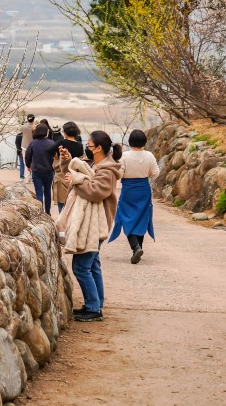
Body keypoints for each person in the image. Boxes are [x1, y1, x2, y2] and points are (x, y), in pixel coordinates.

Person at [56, 130, 122, 322]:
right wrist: (67, 161)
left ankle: (94, 308)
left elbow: (94, 192)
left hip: (95, 224)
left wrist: (76, 182)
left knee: (81, 266)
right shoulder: (96, 165)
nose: (87, 147)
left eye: (90, 145)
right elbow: (79, 173)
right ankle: (96, 303)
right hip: (92, 223)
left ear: (99, 148)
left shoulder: (107, 171)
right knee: (92, 265)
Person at [110, 129, 161, 264]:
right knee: (141, 218)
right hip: (144, 188)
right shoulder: (149, 155)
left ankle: (135, 247)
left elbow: (119, 175)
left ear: (130, 141)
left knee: (126, 217)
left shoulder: (125, 156)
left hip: (129, 190)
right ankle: (138, 248)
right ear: (144, 141)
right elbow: (156, 173)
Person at [50, 121, 84, 213]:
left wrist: (56, 158)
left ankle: (62, 224)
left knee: (62, 205)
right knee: (72, 204)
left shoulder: (61, 142)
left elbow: (49, 150)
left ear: (64, 132)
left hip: (62, 174)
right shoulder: (80, 145)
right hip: (74, 175)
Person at [24, 123, 55, 213]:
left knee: (39, 193)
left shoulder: (33, 143)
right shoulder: (51, 143)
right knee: (48, 192)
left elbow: (27, 155)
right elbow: (55, 157)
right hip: (49, 171)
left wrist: (28, 165)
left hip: (37, 171)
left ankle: (39, 212)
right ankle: (48, 212)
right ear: (46, 132)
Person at [18, 113, 35, 180]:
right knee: (33, 162)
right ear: (34, 119)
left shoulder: (24, 127)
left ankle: (27, 178)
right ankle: (33, 177)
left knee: (26, 162)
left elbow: (19, 130)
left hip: (25, 146)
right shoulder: (35, 127)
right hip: (33, 146)